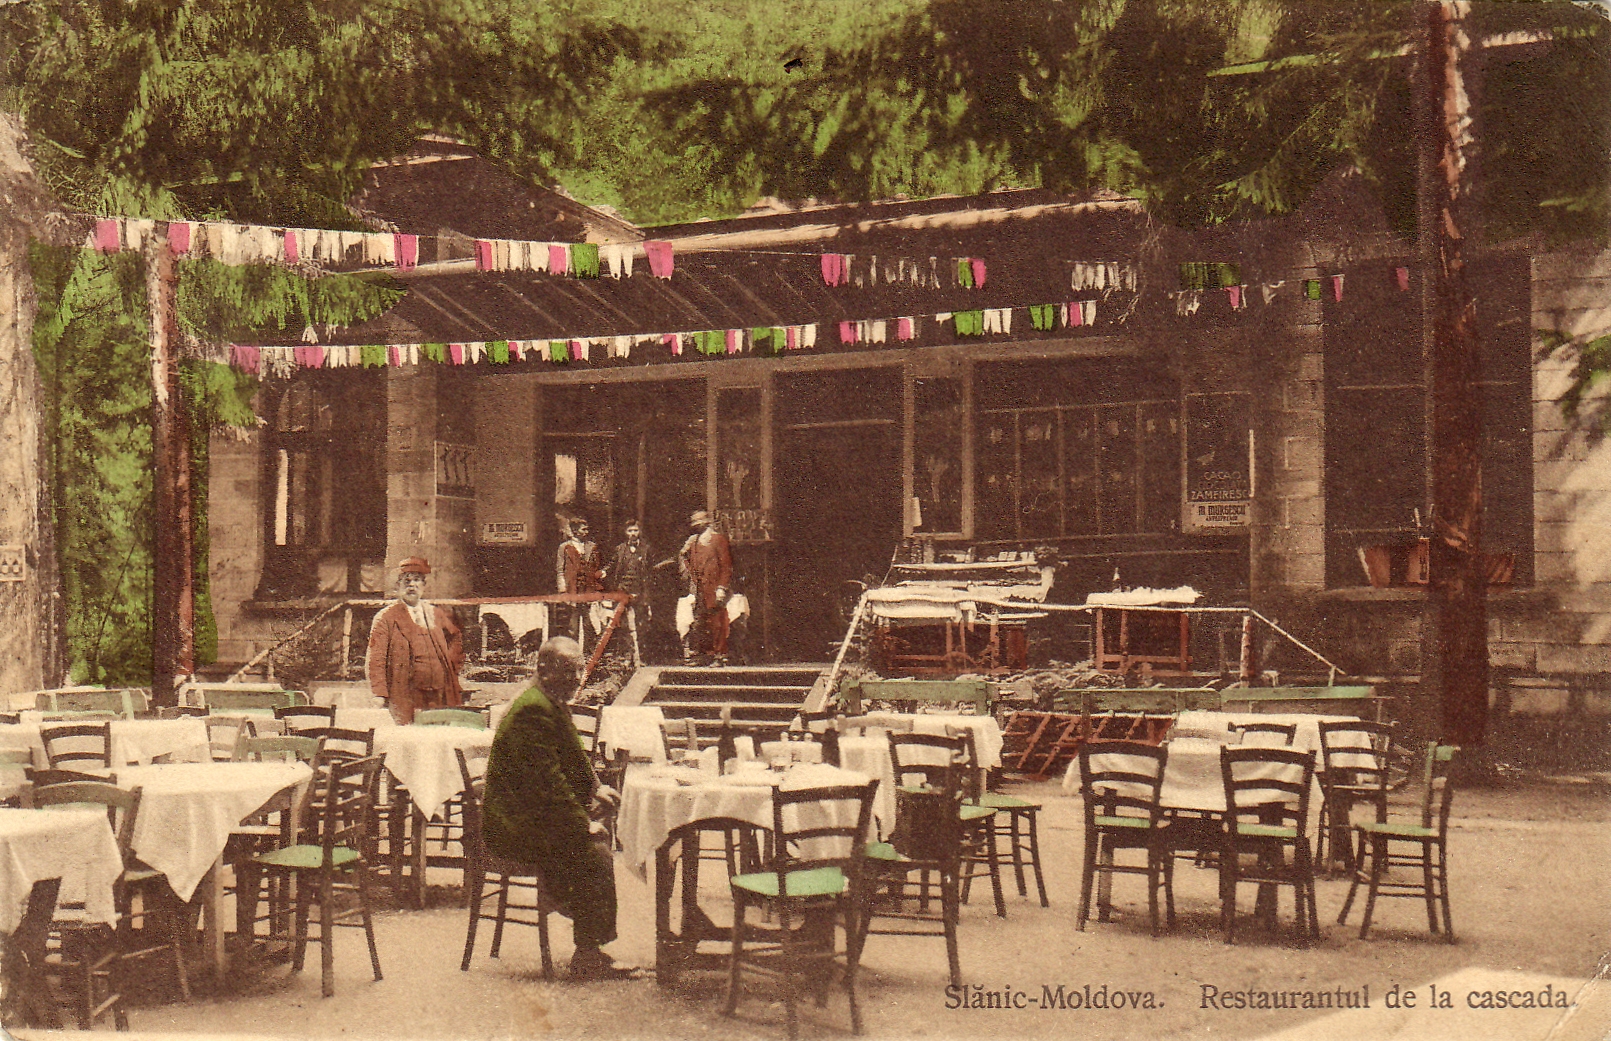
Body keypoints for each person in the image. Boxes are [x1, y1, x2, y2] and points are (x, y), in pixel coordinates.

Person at [482, 637, 638, 980]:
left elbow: (571, 755)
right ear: (545, 671)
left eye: (580, 669)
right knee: (594, 849)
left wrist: (598, 788)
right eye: (570, 670)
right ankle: (588, 954)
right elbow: (548, 784)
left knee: (596, 832)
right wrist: (583, 823)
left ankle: (587, 940)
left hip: (527, 812)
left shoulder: (548, 700)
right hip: (512, 826)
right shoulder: (533, 709)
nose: (578, 678)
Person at [366, 557, 464, 724]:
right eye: (407, 581)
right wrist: (379, 694)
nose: (412, 585)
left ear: (424, 586)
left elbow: (456, 637)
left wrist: (450, 667)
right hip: (406, 694)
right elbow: (376, 660)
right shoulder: (386, 618)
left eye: (417, 580)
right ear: (398, 586)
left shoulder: (435, 613)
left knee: (437, 737)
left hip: (438, 694)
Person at [678, 509, 733, 665]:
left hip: (715, 588)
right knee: (700, 623)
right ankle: (704, 656)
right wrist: (684, 553)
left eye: (699, 523)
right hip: (700, 588)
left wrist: (722, 587)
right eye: (694, 523)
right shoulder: (694, 541)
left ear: (706, 523)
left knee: (717, 622)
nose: (696, 526)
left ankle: (720, 656)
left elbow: (726, 566)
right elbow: (690, 565)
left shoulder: (718, 540)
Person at [555, 516, 604, 643]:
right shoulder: (564, 547)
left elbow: (596, 567)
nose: (586, 532)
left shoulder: (592, 546)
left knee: (590, 623)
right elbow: (560, 570)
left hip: (588, 589)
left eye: (587, 529)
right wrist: (563, 590)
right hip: (572, 589)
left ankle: (588, 652)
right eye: (583, 529)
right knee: (573, 624)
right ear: (575, 531)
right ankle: (573, 652)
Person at [603, 519, 653, 635]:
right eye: (630, 531)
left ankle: (641, 650)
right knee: (622, 621)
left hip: (639, 589)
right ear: (625, 532)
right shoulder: (620, 549)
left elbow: (651, 570)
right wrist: (604, 571)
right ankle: (626, 651)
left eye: (635, 530)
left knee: (641, 621)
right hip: (623, 588)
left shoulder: (646, 549)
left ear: (640, 531)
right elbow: (612, 564)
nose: (633, 533)